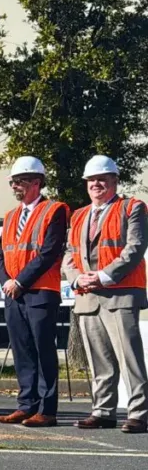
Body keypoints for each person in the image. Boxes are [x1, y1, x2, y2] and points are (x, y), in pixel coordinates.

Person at [62, 155, 148, 433]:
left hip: (120, 293)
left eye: (101, 179)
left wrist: (101, 275)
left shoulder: (132, 208)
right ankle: (103, 411)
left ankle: (139, 413)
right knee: (99, 360)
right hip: (87, 296)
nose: (96, 184)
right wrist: (76, 278)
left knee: (129, 358)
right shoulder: (78, 216)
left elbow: (134, 248)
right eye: (91, 180)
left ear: (114, 180)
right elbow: (69, 255)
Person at [0, 157, 68, 428]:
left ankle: (47, 410)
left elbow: (49, 252)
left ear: (37, 182)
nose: (14, 186)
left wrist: (20, 281)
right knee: (22, 350)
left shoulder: (54, 210)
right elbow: (0, 254)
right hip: (14, 292)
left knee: (43, 350)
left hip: (40, 291)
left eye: (20, 181)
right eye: (13, 181)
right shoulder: (12, 215)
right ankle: (26, 405)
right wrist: (6, 282)